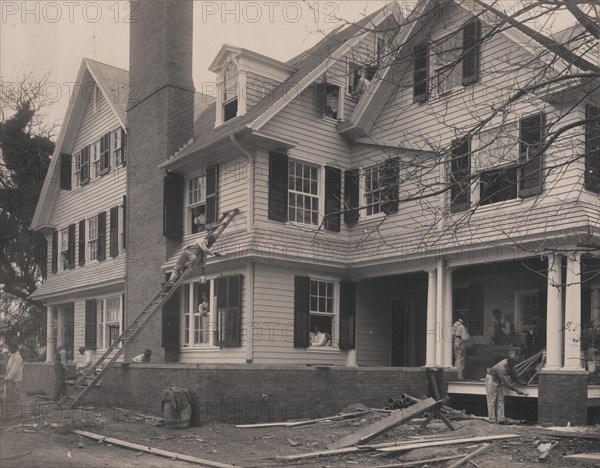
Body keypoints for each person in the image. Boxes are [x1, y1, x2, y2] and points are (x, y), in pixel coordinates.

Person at [485, 354, 528, 424]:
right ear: (509, 361)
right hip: (491, 379)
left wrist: (521, 383)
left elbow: (514, 376)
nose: (514, 365)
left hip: (498, 379)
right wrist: (517, 390)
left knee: (501, 399)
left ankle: (501, 419)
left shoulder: (511, 365)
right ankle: (492, 420)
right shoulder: (502, 367)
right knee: (492, 400)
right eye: (513, 363)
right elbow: (506, 383)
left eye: (515, 363)